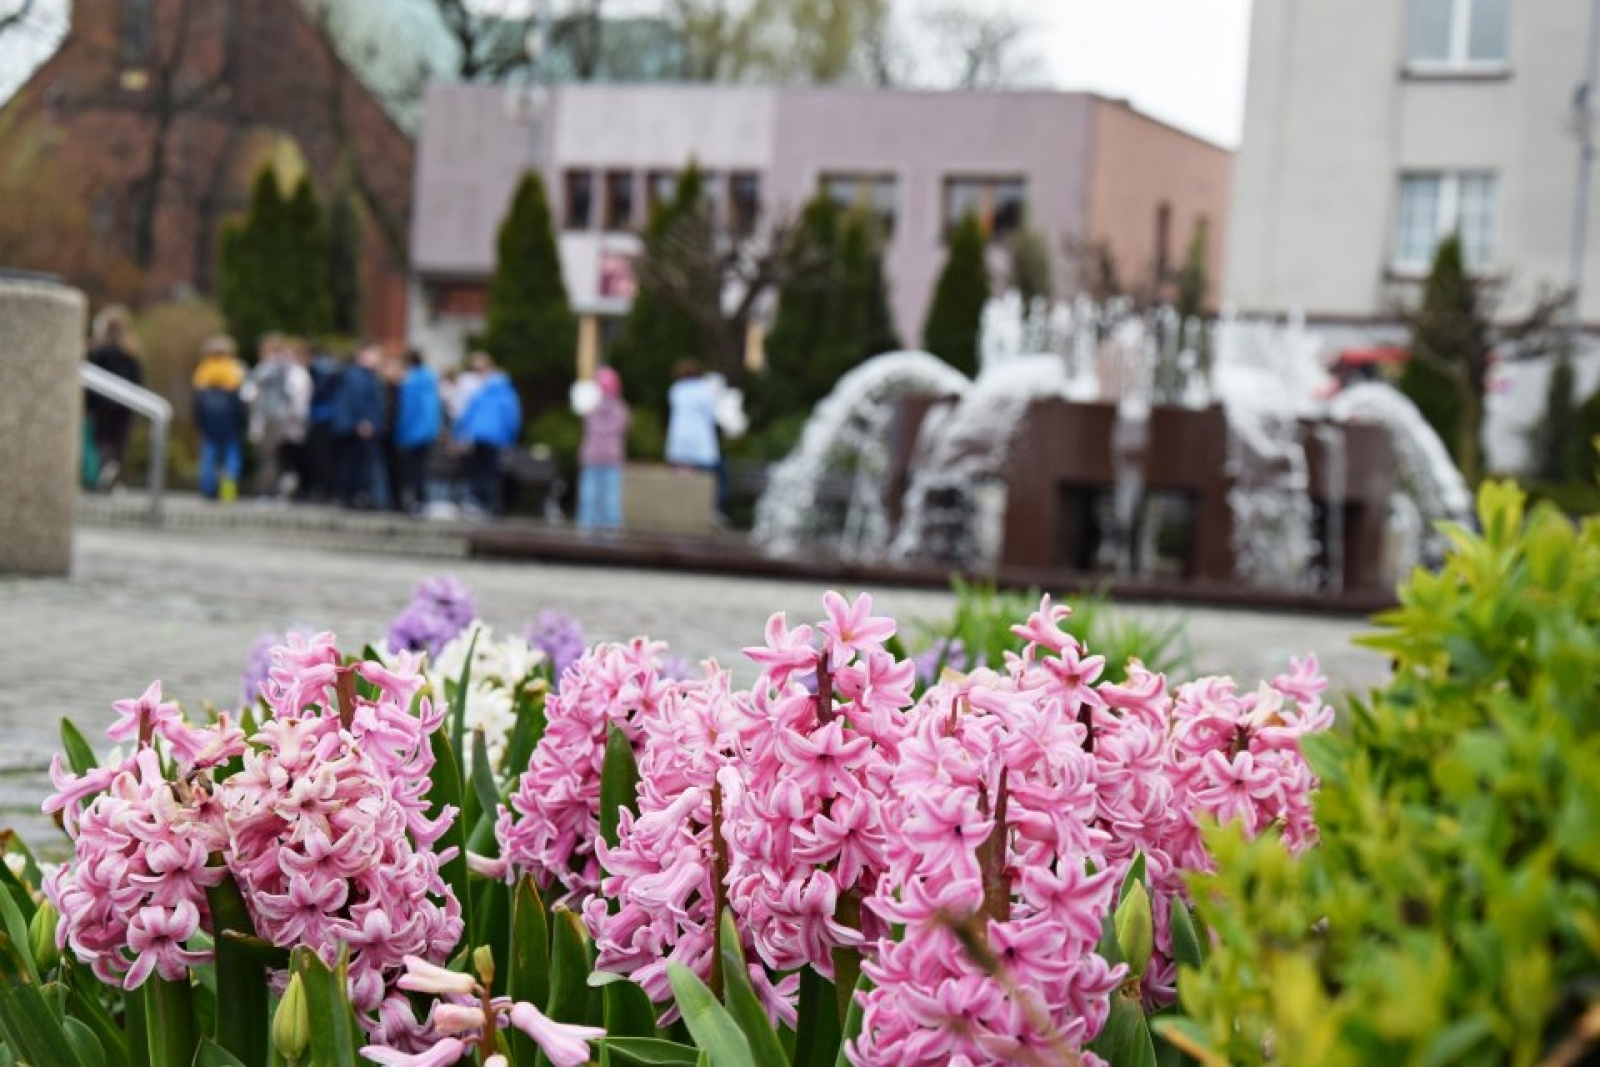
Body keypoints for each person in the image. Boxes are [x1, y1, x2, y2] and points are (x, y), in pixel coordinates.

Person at [241, 333, 310, 499]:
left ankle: (270, 490)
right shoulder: (267, 367)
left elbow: (290, 394)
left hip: (273, 415)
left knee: (270, 454)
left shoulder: (277, 369)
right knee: (267, 454)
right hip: (267, 415)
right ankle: (269, 488)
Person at [452, 351, 521, 516]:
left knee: (479, 468)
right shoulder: (507, 393)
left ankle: (477, 501)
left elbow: (467, 414)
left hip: (478, 435)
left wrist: (459, 434)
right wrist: (511, 437)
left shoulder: (481, 391)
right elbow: (512, 418)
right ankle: (489, 504)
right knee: (491, 471)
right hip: (496, 437)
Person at [84, 306, 143, 490]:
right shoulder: (130, 351)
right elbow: (137, 379)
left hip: (100, 404)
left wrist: (89, 404)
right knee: (118, 442)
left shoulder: (96, 350)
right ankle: (110, 471)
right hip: (123, 404)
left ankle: (102, 472)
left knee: (101, 440)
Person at [665, 359, 726, 517]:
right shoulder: (704, 390)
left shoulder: (676, 390)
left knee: (683, 478)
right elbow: (713, 412)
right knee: (715, 478)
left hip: (680, 443)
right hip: (701, 443)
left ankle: (681, 511)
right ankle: (713, 510)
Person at [191, 336, 247, 502]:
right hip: (230, 421)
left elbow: (197, 402)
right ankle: (228, 491)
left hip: (209, 422)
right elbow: (239, 401)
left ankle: (208, 489)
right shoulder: (233, 369)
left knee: (209, 455)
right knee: (232, 456)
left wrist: (199, 422)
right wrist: (242, 422)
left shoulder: (203, 370)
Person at [577, 366, 630, 531]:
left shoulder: (589, 407)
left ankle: (586, 526)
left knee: (589, 496)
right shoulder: (621, 409)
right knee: (611, 496)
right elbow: (624, 428)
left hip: (592, 455)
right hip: (612, 456)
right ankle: (611, 527)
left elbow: (586, 426)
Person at [333, 345, 387, 509]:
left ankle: (353, 495)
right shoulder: (358, 376)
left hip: (355, 426)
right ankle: (353, 495)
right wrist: (364, 421)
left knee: (356, 463)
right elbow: (359, 401)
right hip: (358, 427)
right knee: (356, 464)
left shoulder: (364, 375)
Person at [394, 349, 443, 515]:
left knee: (413, 468)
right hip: (427, 431)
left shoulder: (411, 382)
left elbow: (407, 411)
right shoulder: (430, 381)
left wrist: (400, 433)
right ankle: (422, 500)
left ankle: (416, 500)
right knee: (422, 467)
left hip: (413, 431)